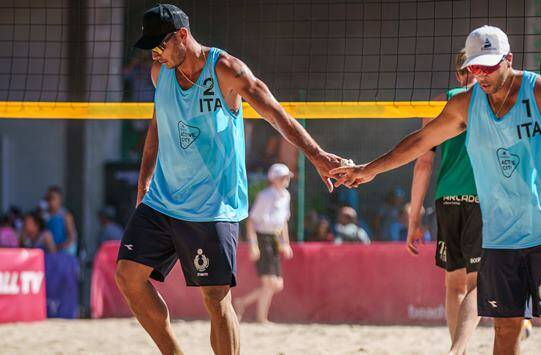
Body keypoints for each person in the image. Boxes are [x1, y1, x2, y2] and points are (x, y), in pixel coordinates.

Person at [331, 25, 541, 355]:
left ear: (509, 60)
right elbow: (419, 144)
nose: (480, 75)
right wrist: (368, 170)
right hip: (501, 234)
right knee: (504, 326)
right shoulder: (466, 105)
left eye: (488, 67)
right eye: (474, 67)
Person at [114, 5, 346, 355]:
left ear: (181, 35)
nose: (156, 54)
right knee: (128, 276)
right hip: (162, 199)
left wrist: (316, 155)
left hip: (212, 205)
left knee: (216, 299)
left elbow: (275, 113)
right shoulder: (159, 73)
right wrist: (143, 181)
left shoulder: (226, 70)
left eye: (159, 46)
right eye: (151, 49)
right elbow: (157, 125)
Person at [405, 49, 482, 354]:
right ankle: (458, 349)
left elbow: (423, 164)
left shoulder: (439, 103)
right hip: (481, 198)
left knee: (455, 285)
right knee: (476, 285)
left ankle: (457, 349)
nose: (473, 77)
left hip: (446, 198)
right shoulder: (497, 102)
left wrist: (414, 220)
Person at [234, 163, 294, 324]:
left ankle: (242, 303)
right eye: (283, 177)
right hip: (263, 238)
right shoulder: (266, 196)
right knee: (269, 282)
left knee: (277, 284)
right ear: (273, 179)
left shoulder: (286, 196)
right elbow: (251, 221)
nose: (286, 179)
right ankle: (261, 318)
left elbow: (283, 222)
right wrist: (254, 245)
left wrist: (285, 243)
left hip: (274, 239)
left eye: (287, 177)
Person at [45, 186, 78, 255]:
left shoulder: (65, 215)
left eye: (53, 198)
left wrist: (59, 247)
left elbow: (71, 237)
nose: (50, 202)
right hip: (49, 251)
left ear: (60, 199)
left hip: (63, 251)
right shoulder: (45, 215)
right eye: (48, 199)